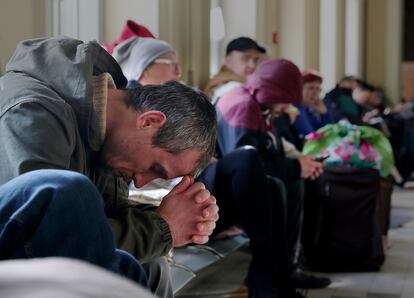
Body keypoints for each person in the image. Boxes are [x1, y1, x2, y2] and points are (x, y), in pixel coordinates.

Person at [0, 36, 219, 296]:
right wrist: (165, 228)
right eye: (156, 169)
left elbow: (98, 221)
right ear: (149, 121)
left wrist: (180, 217)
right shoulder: (32, 113)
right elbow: (49, 240)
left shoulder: (105, 136)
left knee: (152, 265)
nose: (140, 182)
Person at [114, 38, 330, 297]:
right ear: (144, 68)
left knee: (274, 184)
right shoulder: (135, 109)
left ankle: (277, 275)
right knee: (247, 158)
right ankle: (269, 274)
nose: (179, 72)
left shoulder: (167, 104)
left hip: (197, 184)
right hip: (183, 191)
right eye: (171, 64)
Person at [216, 58, 332, 297]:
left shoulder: (259, 105)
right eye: (285, 100)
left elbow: (267, 152)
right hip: (225, 189)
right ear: (273, 90)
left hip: (244, 181)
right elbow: (248, 168)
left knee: (297, 184)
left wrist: (300, 166)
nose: (287, 107)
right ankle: (276, 279)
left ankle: (288, 269)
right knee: (279, 186)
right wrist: (294, 168)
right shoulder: (243, 107)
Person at [204, 36, 265, 103]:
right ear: (228, 60)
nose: (252, 65)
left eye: (255, 60)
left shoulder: (221, 80)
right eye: (245, 58)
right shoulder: (231, 88)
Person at [294, 69, 332, 138]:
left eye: (318, 89)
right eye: (311, 88)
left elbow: (329, 133)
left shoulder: (309, 109)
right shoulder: (296, 107)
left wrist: (324, 113)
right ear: (299, 89)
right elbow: (311, 136)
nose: (315, 93)